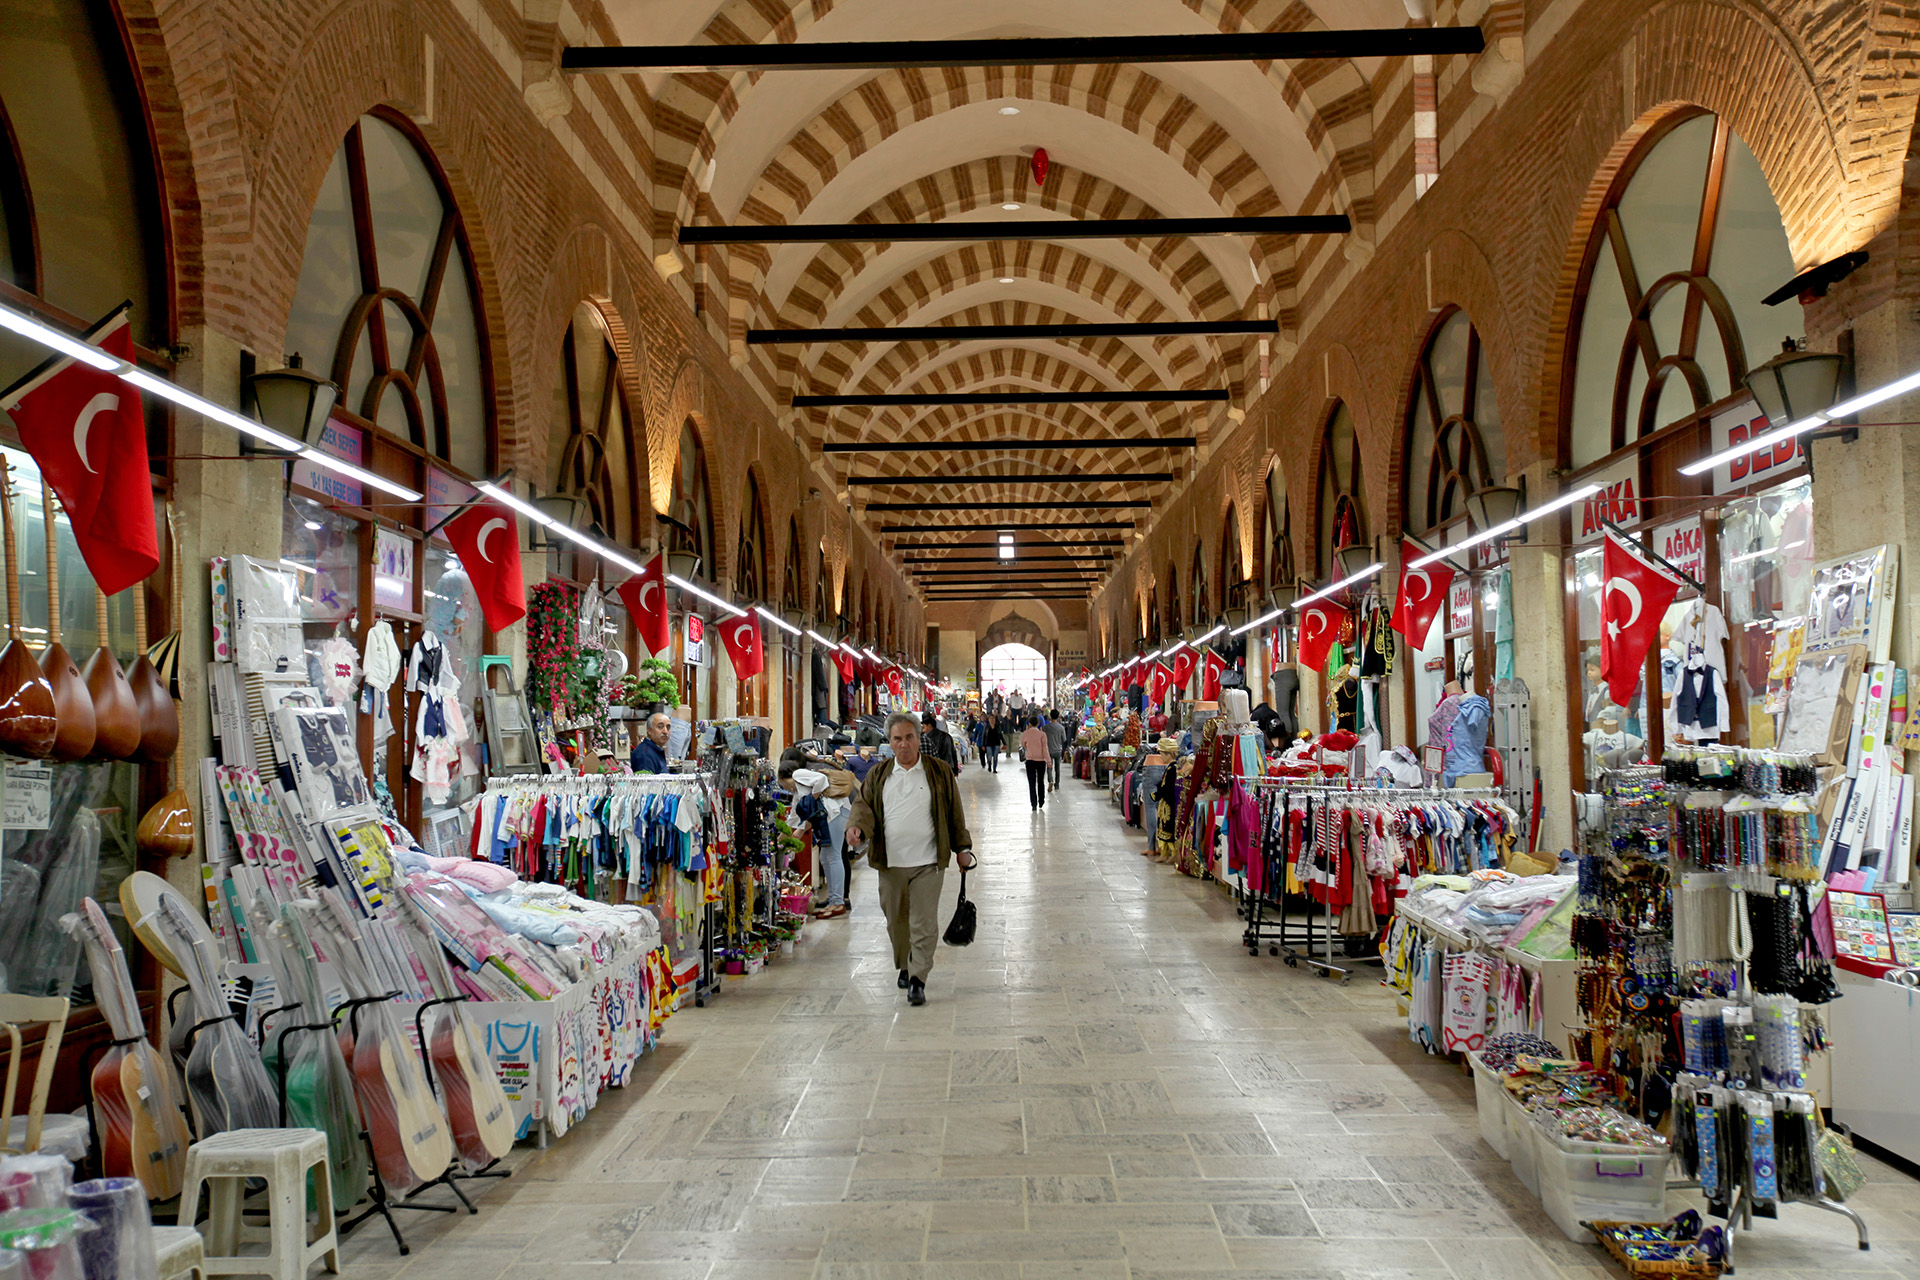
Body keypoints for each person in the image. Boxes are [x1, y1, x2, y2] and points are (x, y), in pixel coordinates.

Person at [846, 713, 976, 1006]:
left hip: (929, 862)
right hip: (890, 863)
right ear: (889, 742)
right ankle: (905, 963)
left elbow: (955, 813)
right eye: (897, 739)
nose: (904, 744)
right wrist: (857, 828)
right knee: (897, 921)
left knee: (923, 922)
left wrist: (962, 848)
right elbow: (863, 806)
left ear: (919, 738)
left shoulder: (939, 771)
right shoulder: (879, 775)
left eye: (909, 737)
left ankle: (918, 978)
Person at [1020, 716, 1050, 811]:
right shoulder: (1042, 734)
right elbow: (1045, 748)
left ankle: (1033, 803)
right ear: (1038, 724)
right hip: (1041, 761)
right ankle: (1041, 800)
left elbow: (1023, 744)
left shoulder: (1026, 733)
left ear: (1029, 724)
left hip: (1030, 760)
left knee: (1031, 782)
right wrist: (1048, 760)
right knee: (1040, 781)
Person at [1044, 711, 1066, 791]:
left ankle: (1050, 780)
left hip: (1049, 750)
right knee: (1057, 768)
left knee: (1049, 767)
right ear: (1058, 717)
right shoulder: (1061, 728)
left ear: (1050, 716)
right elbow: (1064, 739)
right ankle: (1057, 784)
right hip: (1058, 750)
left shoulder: (1046, 727)